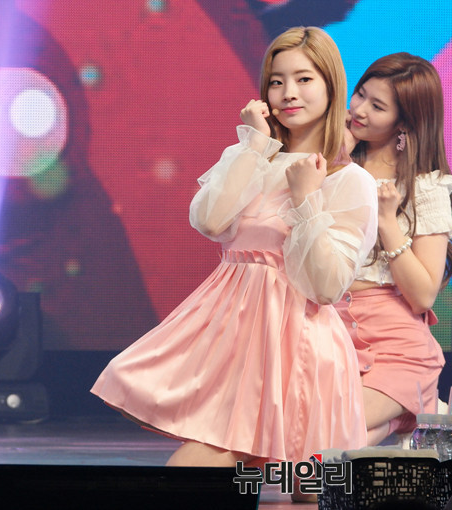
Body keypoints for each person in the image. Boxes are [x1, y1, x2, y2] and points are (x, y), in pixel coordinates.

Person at [91, 27, 378, 470]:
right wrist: (255, 144)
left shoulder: (348, 180)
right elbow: (210, 221)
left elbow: (326, 286)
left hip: (297, 351)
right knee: (191, 471)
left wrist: (306, 198)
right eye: (277, 81)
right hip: (233, 342)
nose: (288, 93)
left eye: (304, 79)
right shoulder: (251, 156)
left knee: (308, 493)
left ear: (330, 86)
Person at [335, 53, 452, 446]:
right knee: (311, 453)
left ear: (404, 122)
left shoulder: (425, 187)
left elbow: (423, 296)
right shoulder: (331, 163)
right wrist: (336, 159)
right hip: (330, 334)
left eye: (377, 106)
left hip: (395, 345)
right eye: (360, 94)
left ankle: (407, 406)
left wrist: (389, 224)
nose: (358, 109)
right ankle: (408, 416)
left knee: (327, 433)